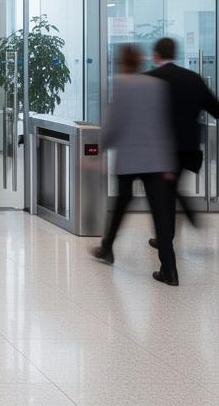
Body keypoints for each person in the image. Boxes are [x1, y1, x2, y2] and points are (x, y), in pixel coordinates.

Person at [92, 43, 179, 286]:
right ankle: (169, 269)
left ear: (122, 62)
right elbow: (164, 124)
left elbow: (114, 122)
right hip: (157, 159)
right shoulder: (157, 85)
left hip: (130, 159)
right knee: (160, 214)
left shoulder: (120, 84)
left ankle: (107, 247)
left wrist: (100, 149)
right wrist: (169, 161)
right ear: (139, 62)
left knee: (121, 205)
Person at [147, 36, 219, 229]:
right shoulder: (193, 79)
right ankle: (172, 230)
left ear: (156, 56)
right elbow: (215, 109)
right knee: (170, 187)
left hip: (160, 148)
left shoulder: (150, 79)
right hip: (188, 147)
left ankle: (170, 232)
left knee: (164, 191)